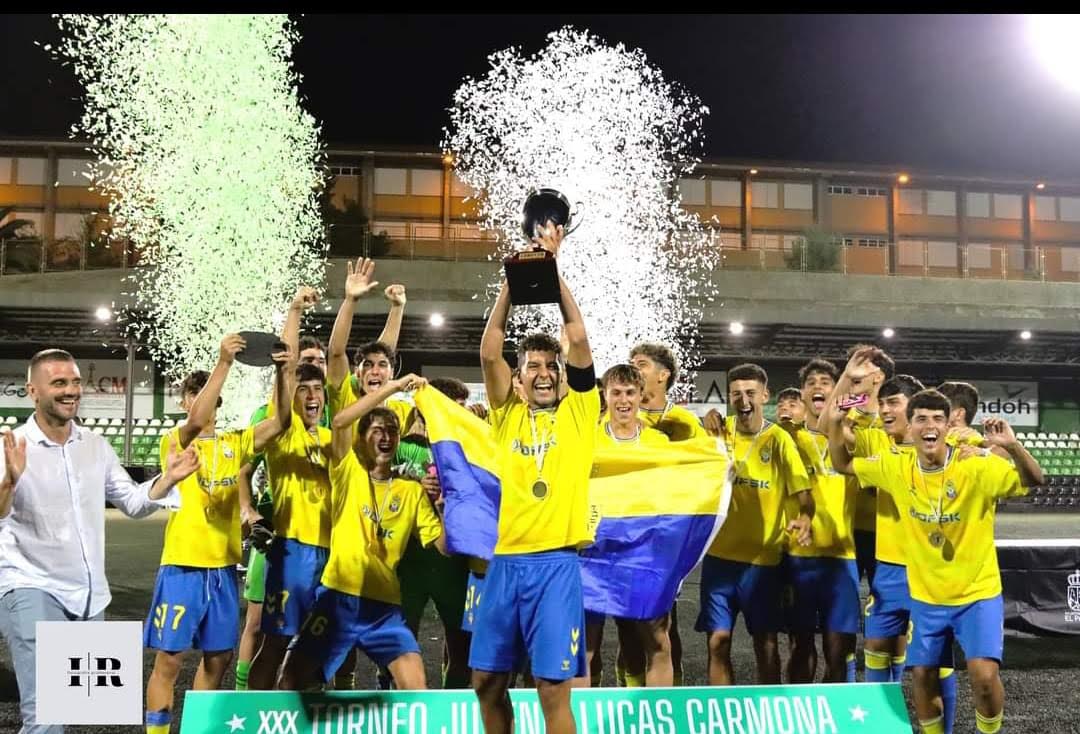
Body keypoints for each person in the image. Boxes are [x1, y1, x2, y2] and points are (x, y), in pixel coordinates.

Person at [0, 348, 198, 734]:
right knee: (46, 717)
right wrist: (10, 481)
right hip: (31, 586)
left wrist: (168, 479)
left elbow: (133, 503)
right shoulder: (11, 446)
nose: (71, 390)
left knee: (79, 708)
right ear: (32, 391)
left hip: (90, 595)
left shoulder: (95, 445)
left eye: (75, 382)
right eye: (59, 383)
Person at [472, 223, 599, 734]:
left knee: (551, 688)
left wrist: (550, 272)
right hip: (506, 562)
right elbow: (489, 351)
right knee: (486, 682)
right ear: (519, 378)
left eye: (551, 366)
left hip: (556, 566)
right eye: (532, 367)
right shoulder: (506, 414)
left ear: (562, 375)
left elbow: (579, 337)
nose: (543, 373)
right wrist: (513, 281)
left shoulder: (580, 413)